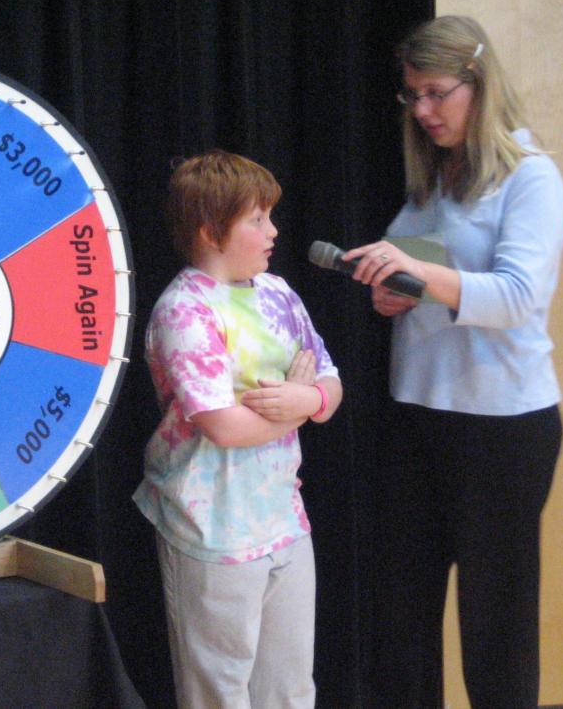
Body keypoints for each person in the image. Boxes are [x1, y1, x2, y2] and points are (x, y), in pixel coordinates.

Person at [343, 15, 563, 709]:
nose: (423, 110)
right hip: (419, 416)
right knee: (400, 615)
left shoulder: (531, 178)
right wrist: (395, 293)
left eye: (437, 92)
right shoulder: (433, 180)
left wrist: (417, 271)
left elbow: (517, 296)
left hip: (502, 424)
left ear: (480, 85)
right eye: (412, 95)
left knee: (494, 623)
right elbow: (429, 282)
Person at [133, 149, 344, 709]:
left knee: (291, 689)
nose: (273, 231)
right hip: (214, 530)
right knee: (220, 694)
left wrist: (309, 395)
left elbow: (331, 383)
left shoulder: (278, 293)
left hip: (283, 520)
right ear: (210, 230)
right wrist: (301, 406)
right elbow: (222, 427)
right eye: (257, 219)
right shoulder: (184, 310)